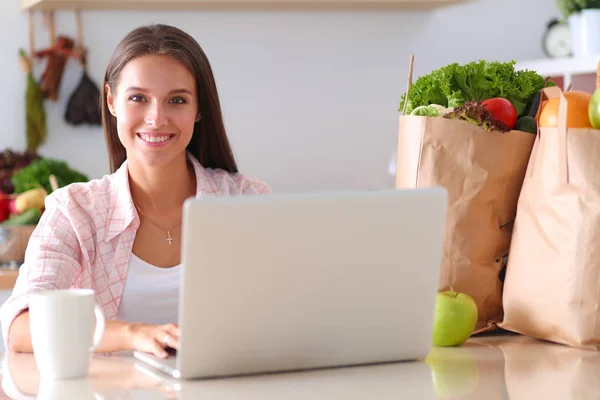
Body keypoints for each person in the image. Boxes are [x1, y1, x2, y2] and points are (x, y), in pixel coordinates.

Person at [0, 24, 271, 358]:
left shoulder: (247, 201)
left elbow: (294, 308)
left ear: (199, 108)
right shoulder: (75, 211)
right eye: (138, 98)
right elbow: (20, 328)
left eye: (176, 100)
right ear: (112, 101)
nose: (156, 118)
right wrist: (133, 334)